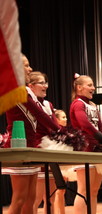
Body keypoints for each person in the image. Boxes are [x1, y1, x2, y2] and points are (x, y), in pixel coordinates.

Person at [2, 56, 60, 214]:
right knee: (19, 199)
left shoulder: (26, 91)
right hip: (19, 149)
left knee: (30, 199)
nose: (30, 69)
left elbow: (41, 117)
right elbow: (40, 115)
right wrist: (62, 132)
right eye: (26, 66)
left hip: (30, 148)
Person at [70, 74, 102, 214]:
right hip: (84, 149)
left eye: (93, 85)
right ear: (79, 87)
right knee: (84, 190)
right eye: (89, 85)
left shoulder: (91, 105)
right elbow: (84, 124)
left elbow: (100, 126)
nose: (93, 88)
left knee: (94, 190)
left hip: (96, 150)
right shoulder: (77, 103)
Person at [28, 72, 58, 214]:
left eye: (46, 82)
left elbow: (54, 124)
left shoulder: (48, 104)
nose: (45, 85)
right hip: (38, 150)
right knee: (36, 198)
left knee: (50, 198)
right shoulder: (31, 102)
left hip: (50, 151)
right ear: (31, 86)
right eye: (41, 82)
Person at [54, 109, 68, 214]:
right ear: (56, 120)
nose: (66, 119)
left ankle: (62, 212)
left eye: (65, 117)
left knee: (62, 190)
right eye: (63, 117)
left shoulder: (65, 132)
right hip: (56, 163)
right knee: (58, 191)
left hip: (64, 163)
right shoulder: (55, 132)